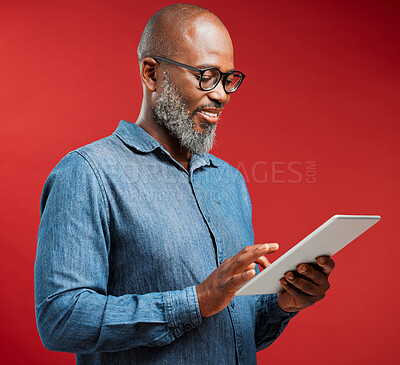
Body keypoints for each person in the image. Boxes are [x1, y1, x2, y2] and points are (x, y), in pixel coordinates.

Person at [34, 4, 335, 364]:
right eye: (206, 75)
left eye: (228, 79)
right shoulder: (88, 174)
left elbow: (230, 334)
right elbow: (61, 319)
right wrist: (196, 301)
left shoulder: (229, 181)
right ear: (151, 73)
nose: (221, 95)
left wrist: (283, 304)